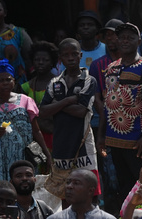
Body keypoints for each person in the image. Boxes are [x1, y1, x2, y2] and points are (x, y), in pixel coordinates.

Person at [97, 22, 142, 200]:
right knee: (124, 184)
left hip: (138, 139)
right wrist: (102, 135)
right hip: (115, 139)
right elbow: (107, 104)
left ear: (138, 41)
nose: (125, 41)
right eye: (121, 37)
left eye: (130, 38)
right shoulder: (110, 68)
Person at [0, 59, 50, 183]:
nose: (5, 83)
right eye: (0, 80)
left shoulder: (25, 101)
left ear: (14, 81)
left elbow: (36, 131)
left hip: (22, 157)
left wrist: (47, 154)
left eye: (8, 79)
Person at [41, 38, 99, 195]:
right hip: (61, 143)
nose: (71, 58)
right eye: (66, 55)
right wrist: (67, 100)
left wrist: (56, 104)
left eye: (74, 54)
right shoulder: (54, 82)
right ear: (60, 58)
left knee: (89, 190)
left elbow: (81, 112)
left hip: (83, 144)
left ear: (80, 55)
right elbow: (43, 112)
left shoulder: (88, 80)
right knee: (65, 192)